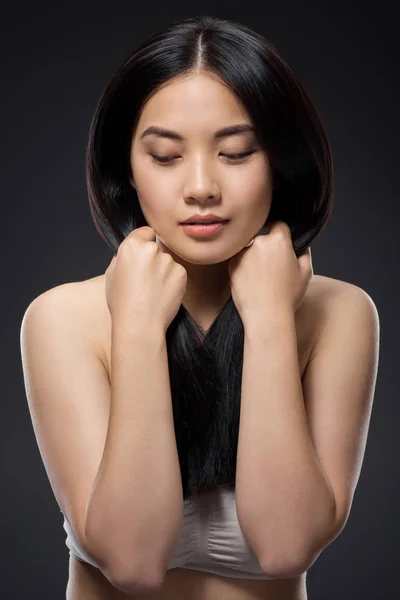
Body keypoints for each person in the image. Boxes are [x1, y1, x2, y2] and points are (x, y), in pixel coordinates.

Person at [20, 14, 380, 600]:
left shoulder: (340, 313)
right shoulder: (63, 319)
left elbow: (287, 545)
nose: (201, 186)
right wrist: (137, 329)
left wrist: (268, 320)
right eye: (165, 157)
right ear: (128, 172)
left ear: (281, 163)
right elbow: (132, 563)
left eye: (236, 153)